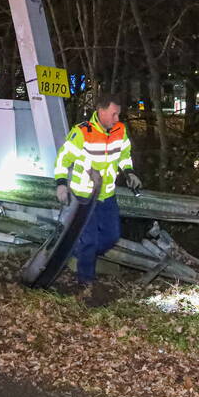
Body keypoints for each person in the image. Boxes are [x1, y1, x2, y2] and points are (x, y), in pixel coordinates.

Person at [54, 94, 141, 287]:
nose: (117, 118)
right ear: (101, 112)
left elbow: (124, 155)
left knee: (112, 236)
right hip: (84, 197)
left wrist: (129, 172)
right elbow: (62, 159)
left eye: (118, 114)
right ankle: (86, 282)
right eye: (114, 114)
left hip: (107, 195)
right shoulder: (82, 132)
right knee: (90, 240)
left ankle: (79, 253)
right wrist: (61, 183)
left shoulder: (120, 130)